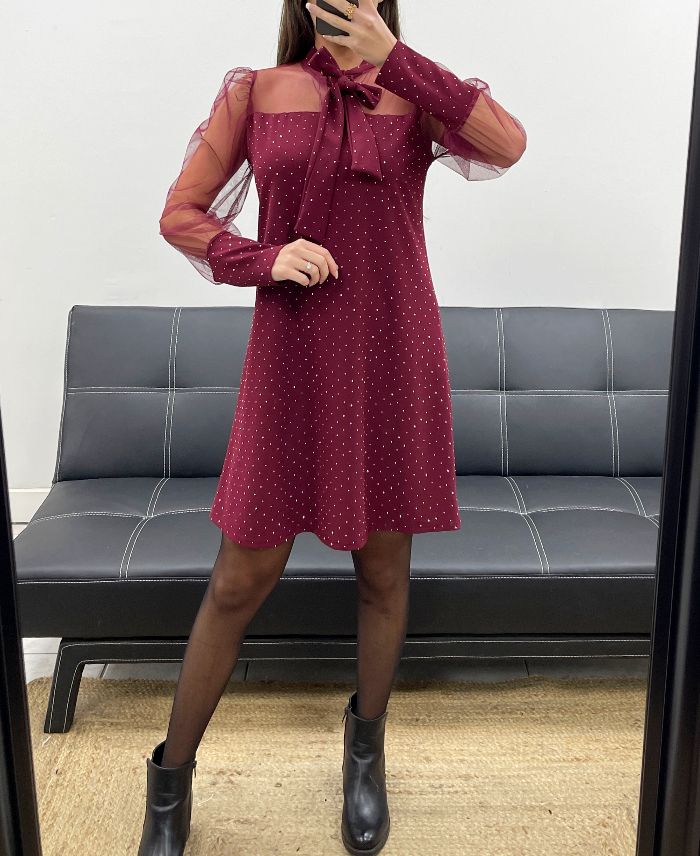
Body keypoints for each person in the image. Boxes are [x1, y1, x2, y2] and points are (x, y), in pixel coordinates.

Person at [138, 0, 526, 853]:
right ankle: (169, 783)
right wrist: (264, 257)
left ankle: (365, 758)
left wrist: (399, 59)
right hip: (289, 360)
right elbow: (181, 214)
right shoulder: (257, 91)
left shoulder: (413, 91)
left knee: (384, 574)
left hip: (393, 357)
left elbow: (506, 144)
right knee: (238, 580)